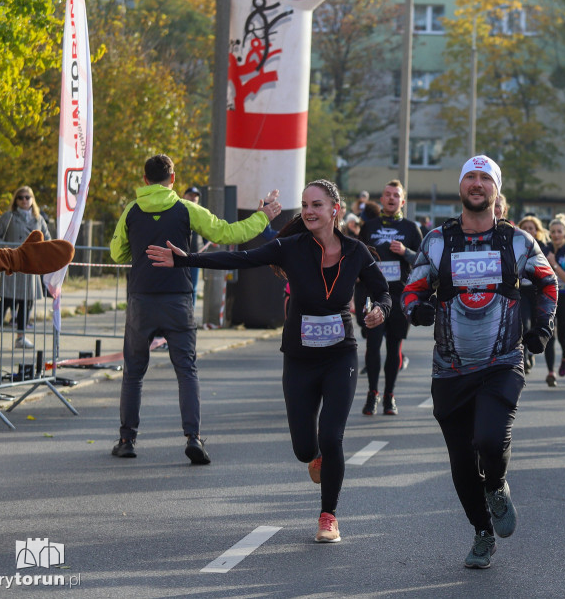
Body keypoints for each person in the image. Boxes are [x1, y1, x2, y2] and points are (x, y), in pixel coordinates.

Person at [147, 179, 391, 544]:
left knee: (333, 435)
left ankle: (328, 516)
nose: (309, 211)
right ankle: (316, 456)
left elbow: (382, 291)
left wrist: (381, 311)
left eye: (317, 205)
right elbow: (240, 258)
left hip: (341, 355)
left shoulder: (357, 252)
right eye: (305, 204)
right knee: (304, 448)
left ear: (334, 210)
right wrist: (187, 259)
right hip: (299, 358)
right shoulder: (290, 247)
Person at [402, 155, 557, 569]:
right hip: (450, 368)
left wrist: (542, 328)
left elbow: (547, 282)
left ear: (496, 190)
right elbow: (411, 288)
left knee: (488, 440)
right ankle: (482, 533)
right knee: (461, 462)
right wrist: (415, 307)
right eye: (470, 176)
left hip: (502, 361)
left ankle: (498, 484)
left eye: (484, 178)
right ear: (460, 187)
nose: (476, 183)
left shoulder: (517, 242)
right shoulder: (438, 240)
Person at [109, 155, 280, 465]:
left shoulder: (131, 211)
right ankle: (193, 438)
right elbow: (228, 234)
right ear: (173, 179)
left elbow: (116, 252)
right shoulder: (186, 209)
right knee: (186, 370)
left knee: (133, 374)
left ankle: (126, 439)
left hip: (141, 300)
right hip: (178, 300)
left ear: (145, 180)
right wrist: (262, 215)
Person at [358, 179, 423, 416]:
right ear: (381, 199)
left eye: (396, 195)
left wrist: (405, 252)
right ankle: (372, 393)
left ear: (402, 201)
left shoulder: (410, 228)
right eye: (387, 194)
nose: (391, 198)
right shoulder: (369, 226)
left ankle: (389, 396)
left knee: (394, 346)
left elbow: (423, 261)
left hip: (399, 295)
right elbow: (357, 258)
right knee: (373, 345)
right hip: (374, 295)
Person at [0, 185, 52, 348]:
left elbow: (47, 240)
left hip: (30, 268)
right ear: (16, 200)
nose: (24, 200)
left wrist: (40, 256)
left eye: (27, 197)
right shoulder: (8, 217)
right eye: (21, 197)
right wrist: (9, 250)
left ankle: (21, 337)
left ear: (32, 200)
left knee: (26, 303)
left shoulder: (38, 219)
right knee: (6, 301)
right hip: (12, 266)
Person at [543, 214, 565, 387]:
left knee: (562, 337)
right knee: (549, 335)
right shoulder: (545, 249)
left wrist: (554, 264)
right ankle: (551, 372)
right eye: (553, 232)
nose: (556, 235)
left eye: (559, 231)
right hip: (548, 298)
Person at [518, 215, 549, 375]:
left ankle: (531, 353)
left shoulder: (543, 248)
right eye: (525, 228)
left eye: (531, 228)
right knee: (524, 324)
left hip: (537, 292)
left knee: (537, 326)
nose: (528, 231)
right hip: (522, 291)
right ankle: (523, 358)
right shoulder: (515, 246)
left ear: (537, 231)